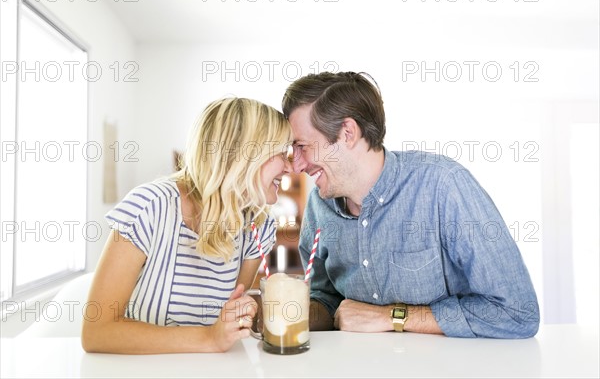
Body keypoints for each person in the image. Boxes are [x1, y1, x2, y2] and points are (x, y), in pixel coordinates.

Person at [282, 71, 540, 338]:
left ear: (347, 133)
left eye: (302, 146)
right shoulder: (319, 207)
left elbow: (518, 313)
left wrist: (391, 317)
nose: (297, 164)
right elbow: (328, 300)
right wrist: (285, 311)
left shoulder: (445, 187)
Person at [82, 98, 293, 353]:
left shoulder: (257, 226)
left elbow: (224, 322)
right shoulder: (150, 207)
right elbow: (97, 333)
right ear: (243, 154)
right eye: (282, 153)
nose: (291, 166)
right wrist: (208, 339)